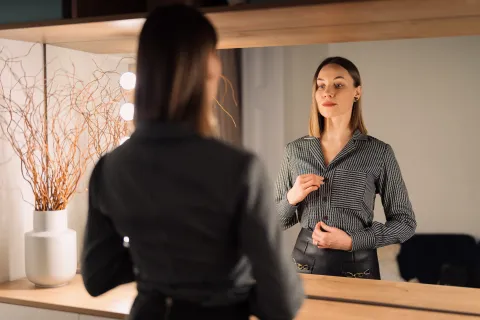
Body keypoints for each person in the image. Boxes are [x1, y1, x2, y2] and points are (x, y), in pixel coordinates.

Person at [81, 5, 303, 320]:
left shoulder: (109, 168)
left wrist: (156, 261)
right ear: (209, 68)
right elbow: (282, 303)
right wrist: (236, 291)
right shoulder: (239, 169)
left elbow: (97, 276)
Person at [274, 56, 417, 279]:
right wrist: (292, 197)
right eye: (321, 85)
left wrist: (352, 241)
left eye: (338, 85)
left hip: (359, 269)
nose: (327, 92)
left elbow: (405, 224)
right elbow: (274, 222)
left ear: (357, 92)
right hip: (303, 268)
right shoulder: (294, 151)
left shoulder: (379, 153)